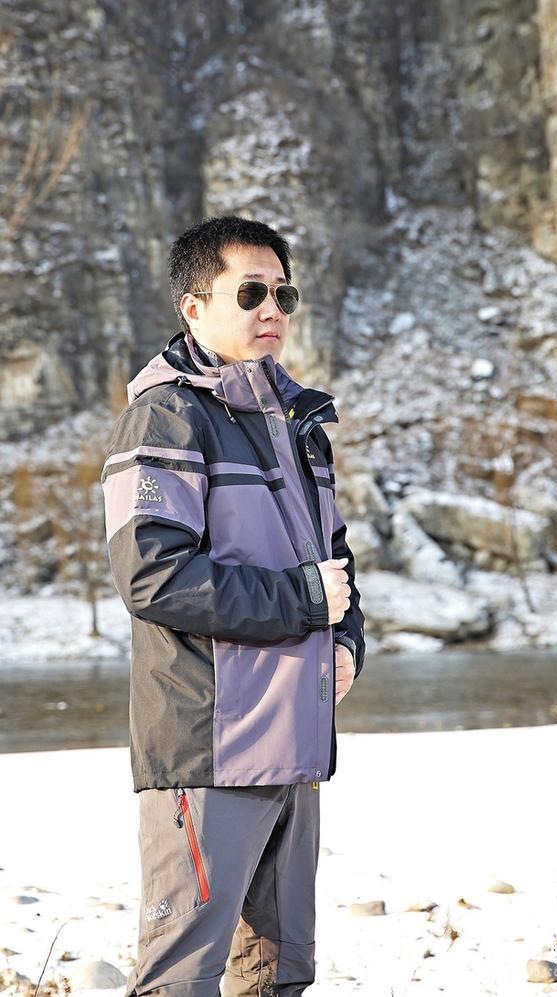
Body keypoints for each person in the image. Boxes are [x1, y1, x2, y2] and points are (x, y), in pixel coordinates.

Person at [100, 214, 366, 996]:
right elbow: (153, 574)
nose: (272, 308)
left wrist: (347, 641)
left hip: (296, 745)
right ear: (194, 307)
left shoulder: (299, 421)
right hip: (210, 747)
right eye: (250, 292)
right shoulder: (166, 417)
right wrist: (304, 600)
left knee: (282, 973)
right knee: (182, 978)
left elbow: (336, 564)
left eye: (283, 292)